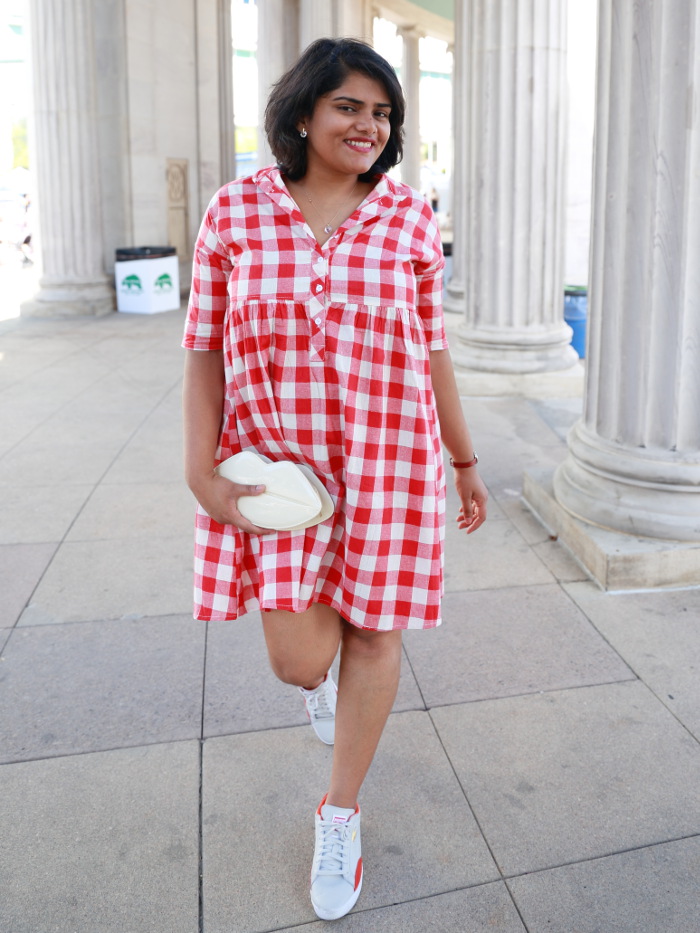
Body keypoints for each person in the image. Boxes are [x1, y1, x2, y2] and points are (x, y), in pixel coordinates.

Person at [182, 37, 487, 922]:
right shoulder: (235, 212)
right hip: (283, 470)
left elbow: (432, 352)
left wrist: (464, 462)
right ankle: (323, 684)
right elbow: (202, 349)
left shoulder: (408, 217)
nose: (368, 124)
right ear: (306, 111)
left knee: (378, 635)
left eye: (383, 112)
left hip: (392, 463)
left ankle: (340, 810)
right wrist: (199, 473)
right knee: (297, 657)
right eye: (350, 105)